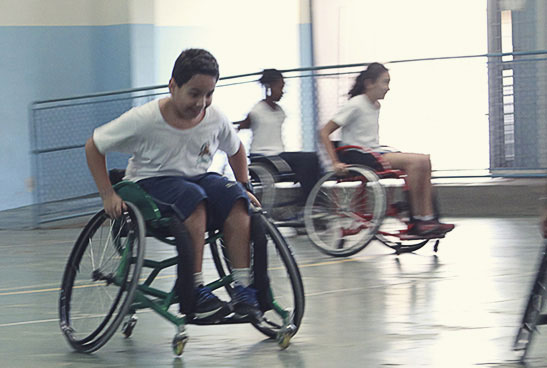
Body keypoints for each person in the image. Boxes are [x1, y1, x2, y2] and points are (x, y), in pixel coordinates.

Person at [85, 48, 261, 322]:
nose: (202, 102)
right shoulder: (144, 119)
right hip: (149, 185)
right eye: (194, 93)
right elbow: (94, 146)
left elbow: (236, 150)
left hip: (196, 182)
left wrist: (245, 185)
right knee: (194, 199)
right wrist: (107, 194)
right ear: (172, 86)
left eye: (209, 94)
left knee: (236, 198)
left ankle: (244, 288)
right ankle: (195, 288)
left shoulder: (215, 118)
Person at [319, 62, 454, 236]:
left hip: (372, 151)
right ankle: (417, 219)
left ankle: (428, 218)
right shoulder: (356, 103)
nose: (388, 88)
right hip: (357, 154)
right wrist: (335, 162)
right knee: (415, 163)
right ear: (369, 84)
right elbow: (324, 132)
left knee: (425, 161)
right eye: (385, 82)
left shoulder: (375, 105)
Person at [237, 69, 321, 207]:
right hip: (263, 158)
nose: (282, 91)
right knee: (308, 159)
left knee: (312, 159)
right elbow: (244, 124)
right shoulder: (257, 110)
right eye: (279, 87)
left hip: (277, 156)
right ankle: (310, 204)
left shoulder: (280, 111)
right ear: (269, 87)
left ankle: (309, 202)